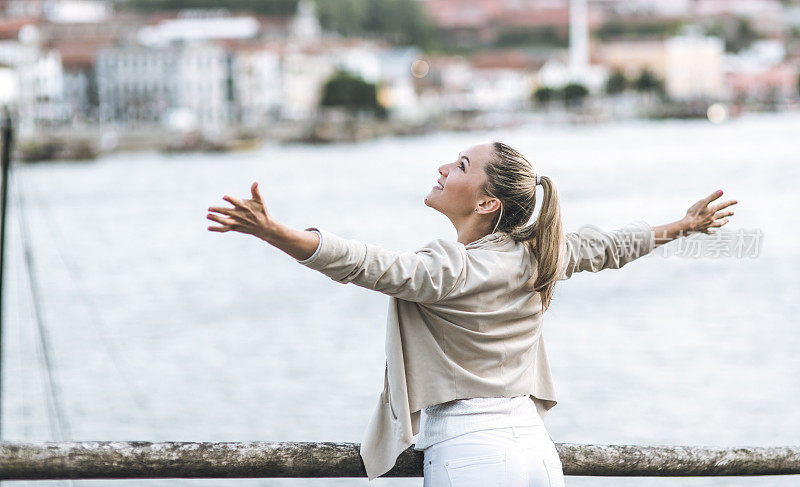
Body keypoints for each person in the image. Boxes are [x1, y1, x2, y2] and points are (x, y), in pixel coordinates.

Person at [206, 141, 737, 486]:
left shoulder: (451, 269)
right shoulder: (541, 255)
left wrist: (276, 233)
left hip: (473, 455)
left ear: (486, 204)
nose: (442, 166)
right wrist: (682, 226)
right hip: (535, 453)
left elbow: (364, 263)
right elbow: (610, 245)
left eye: (460, 166)